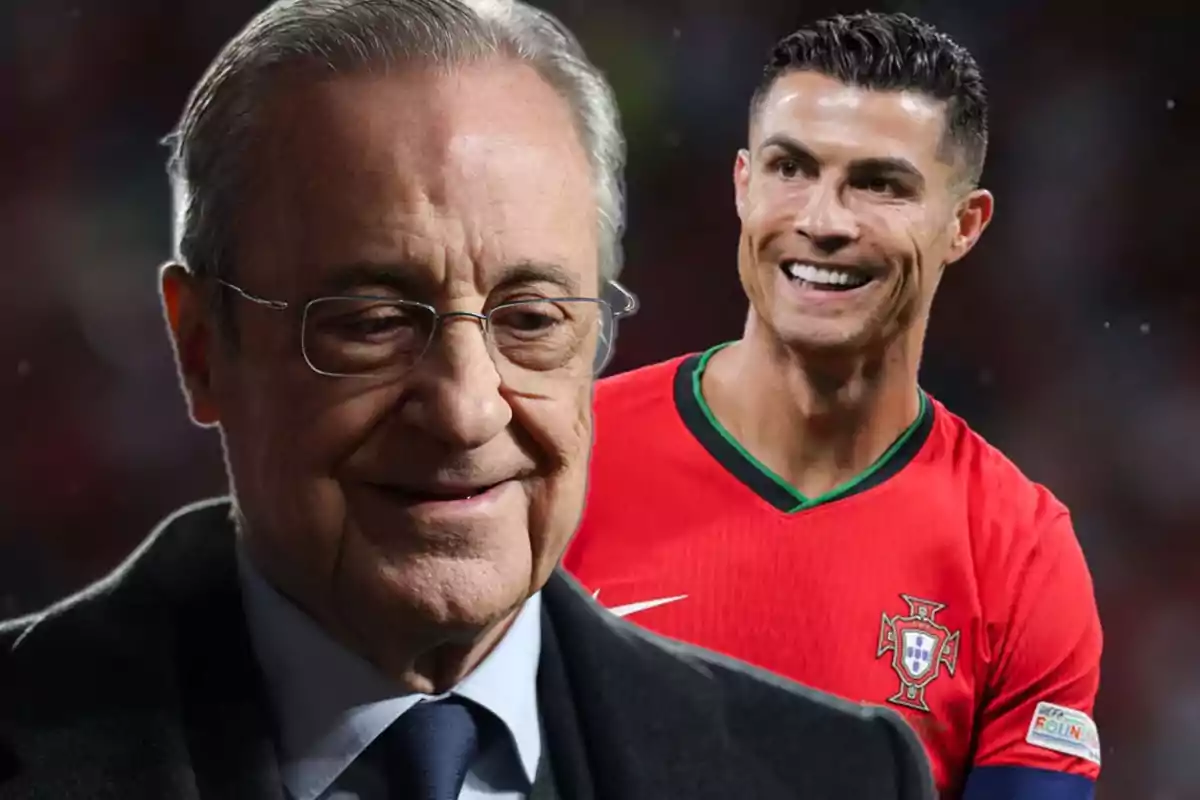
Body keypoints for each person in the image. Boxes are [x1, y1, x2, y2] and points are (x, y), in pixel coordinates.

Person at [0, 2, 936, 799]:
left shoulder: (837, 777)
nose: (465, 409)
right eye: (369, 321)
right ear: (201, 348)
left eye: (530, 319)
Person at [564, 11, 1103, 800]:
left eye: (880, 184)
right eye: (792, 169)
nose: (822, 221)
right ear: (743, 185)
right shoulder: (562, 454)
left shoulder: (1020, 556)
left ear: (963, 225)